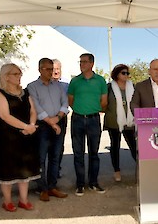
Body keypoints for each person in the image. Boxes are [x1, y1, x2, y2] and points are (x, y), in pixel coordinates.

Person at [0, 63, 40, 212]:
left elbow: (33, 111)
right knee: (7, 170)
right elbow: (5, 116)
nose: (19, 76)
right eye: (16, 74)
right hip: (6, 138)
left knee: (24, 170)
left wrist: (32, 125)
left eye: (20, 73)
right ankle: (7, 201)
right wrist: (26, 127)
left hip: (25, 135)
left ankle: (23, 199)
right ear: (6, 76)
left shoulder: (25, 93)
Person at [27, 58, 69, 201]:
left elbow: (65, 102)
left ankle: (52, 186)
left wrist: (58, 118)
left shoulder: (58, 86)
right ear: (40, 69)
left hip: (59, 122)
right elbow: (36, 106)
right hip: (43, 126)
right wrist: (50, 122)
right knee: (41, 157)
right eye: (48, 69)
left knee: (55, 156)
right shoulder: (32, 86)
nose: (52, 72)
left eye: (52, 69)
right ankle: (42, 188)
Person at [68, 53, 108, 196]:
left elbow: (104, 101)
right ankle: (80, 184)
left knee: (94, 153)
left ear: (92, 63)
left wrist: (92, 110)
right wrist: (80, 110)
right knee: (78, 153)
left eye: (85, 62)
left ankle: (93, 183)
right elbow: (70, 100)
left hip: (93, 120)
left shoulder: (100, 81)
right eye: (80, 62)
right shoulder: (75, 81)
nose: (82, 64)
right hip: (77, 119)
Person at [104, 64, 137, 182]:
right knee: (115, 146)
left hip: (130, 122)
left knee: (134, 145)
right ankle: (116, 171)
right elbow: (103, 103)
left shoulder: (132, 86)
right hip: (114, 121)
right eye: (124, 73)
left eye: (127, 73)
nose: (126, 75)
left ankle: (140, 168)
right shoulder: (109, 87)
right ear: (116, 74)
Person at [52, 58, 69, 178]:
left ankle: (56, 170)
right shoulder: (44, 83)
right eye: (53, 69)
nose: (56, 71)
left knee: (59, 146)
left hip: (62, 118)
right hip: (47, 118)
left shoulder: (67, 85)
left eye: (58, 69)